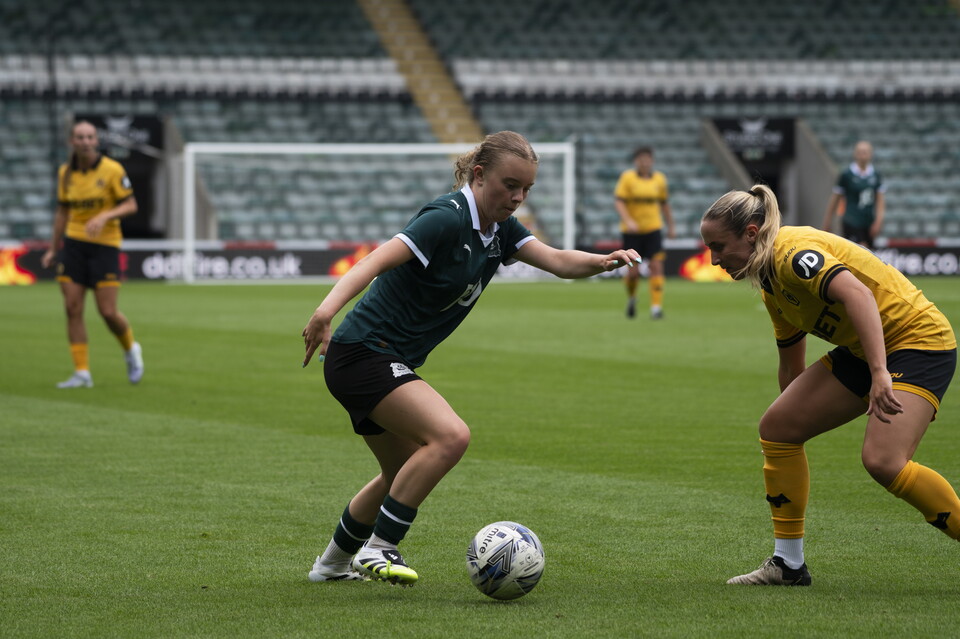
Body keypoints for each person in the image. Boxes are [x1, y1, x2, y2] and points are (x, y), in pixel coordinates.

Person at [301, 131, 640, 586]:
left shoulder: (500, 230)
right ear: (479, 176)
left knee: (400, 472)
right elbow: (375, 260)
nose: (518, 197)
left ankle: (331, 565)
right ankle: (379, 548)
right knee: (450, 436)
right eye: (510, 185)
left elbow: (558, 261)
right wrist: (325, 312)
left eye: (527, 189)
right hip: (364, 352)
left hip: (372, 358)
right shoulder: (446, 217)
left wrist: (603, 261)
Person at [701, 184, 957, 586]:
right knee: (778, 428)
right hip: (864, 349)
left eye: (719, 246)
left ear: (751, 233)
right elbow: (791, 367)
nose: (714, 260)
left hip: (916, 341)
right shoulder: (771, 285)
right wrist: (795, 413)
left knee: (883, 461)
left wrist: (879, 372)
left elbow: (858, 296)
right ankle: (788, 565)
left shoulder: (792, 255)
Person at [41, 120, 144, 388]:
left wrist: (105, 215)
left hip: (105, 245)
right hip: (74, 244)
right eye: (80, 137)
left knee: (107, 311)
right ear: (72, 142)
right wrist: (53, 248)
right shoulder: (65, 173)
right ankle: (82, 372)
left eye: (90, 137)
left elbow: (131, 204)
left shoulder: (112, 169)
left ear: (96, 141)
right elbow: (62, 212)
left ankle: (131, 349)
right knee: (72, 308)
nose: (85, 141)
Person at [614, 146, 674, 320]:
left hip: (653, 229)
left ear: (652, 161)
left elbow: (664, 204)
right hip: (632, 232)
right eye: (641, 159)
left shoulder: (659, 180)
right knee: (633, 272)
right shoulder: (628, 178)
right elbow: (619, 202)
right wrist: (628, 220)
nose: (645, 162)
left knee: (656, 266)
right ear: (636, 161)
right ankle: (632, 297)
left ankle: (656, 307)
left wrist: (671, 226)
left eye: (647, 159)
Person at [821, 140, 886, 250]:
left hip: (868, 221)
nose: (863, 155)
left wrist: (878, 221)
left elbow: (880, 200)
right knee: (860, 249)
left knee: (868, 254)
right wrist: (828, 221)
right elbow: (835, 199)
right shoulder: (847, 175)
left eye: (865, 152)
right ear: (855, 154)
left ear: (871, 154)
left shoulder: (875, 175)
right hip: (851, 220)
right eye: (860, 152)